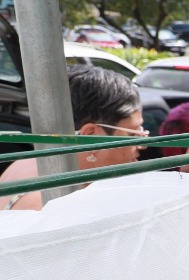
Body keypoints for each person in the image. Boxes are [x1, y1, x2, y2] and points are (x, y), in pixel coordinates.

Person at [1, 65, 145, 210]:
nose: (142, 145)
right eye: (133, 134)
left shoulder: (32, 162)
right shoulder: (52, 202)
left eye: (141, 131)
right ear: (91, 135)